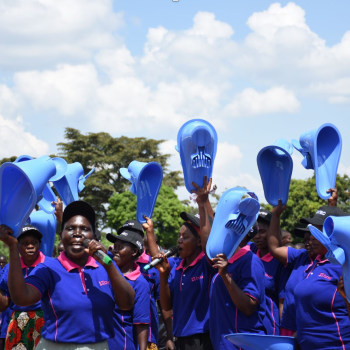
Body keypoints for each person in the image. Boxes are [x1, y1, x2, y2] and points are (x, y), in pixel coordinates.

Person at [0, 200, 135, 350]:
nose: (77, 233)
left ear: (93, 235)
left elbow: (127, 303)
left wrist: (108, 266)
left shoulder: (105, 266)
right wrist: (13, 247)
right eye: (70, 228)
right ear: (61, 235)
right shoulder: (48, 268)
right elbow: (22, 298)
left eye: (84, 229)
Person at [152, 176, 216, 350]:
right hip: (180, 336)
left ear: (198, 242)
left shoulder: (207, 263)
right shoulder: (178, 268)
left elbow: (209, 242)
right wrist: (164, 275)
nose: (179, 241)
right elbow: (166, 306)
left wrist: (202, 203)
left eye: (185, 237)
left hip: (203, 337)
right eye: (179, 236)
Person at [209, 231, 267, 350]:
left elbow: (249, 307)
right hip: (223, 344)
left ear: (243, 234)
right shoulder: (226, 261)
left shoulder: (250, 260)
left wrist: (225, 275)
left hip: (242, 345)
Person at [294, 230, 350, 349]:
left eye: (320, 231)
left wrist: (346, 297)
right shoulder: (317, 263)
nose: (312, 237)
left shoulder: (344, 265)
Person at [0, 225, 50, 350]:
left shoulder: (50, 265)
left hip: (46, 321)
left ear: (39, 245)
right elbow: (3, 304)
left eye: (34, 242)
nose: (30, 246)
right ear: (17, 246)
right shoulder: (8, 269)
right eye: (24, 243)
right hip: (18, 322)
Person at [106, 229, 150, 350]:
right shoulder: (105, 272)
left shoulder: (140, 283)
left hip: (123, 345)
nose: (115, 251)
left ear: (134, 252)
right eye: (114, 247)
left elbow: (141, 323)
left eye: (120, 247)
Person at [250, 209, 291, 335]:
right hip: (247, 329)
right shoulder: (248, 254)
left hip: (270, 331)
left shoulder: (281, 262)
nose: (257, 236)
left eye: (262, 231)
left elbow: (282, 302)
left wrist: (283, 337)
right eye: (255, 232)